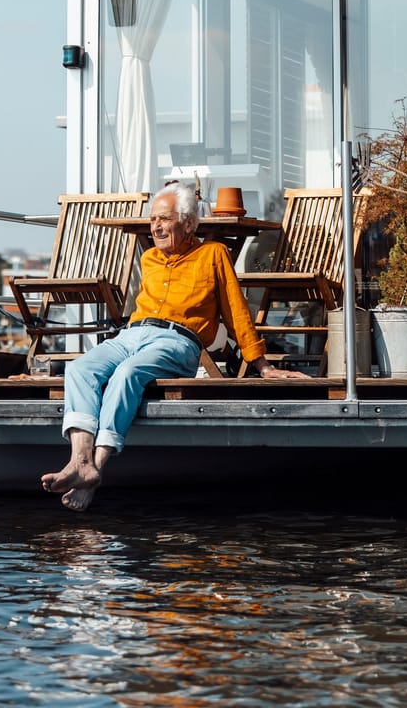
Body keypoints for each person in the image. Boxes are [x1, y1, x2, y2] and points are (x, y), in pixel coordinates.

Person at [42, 182, 302, 510]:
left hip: (177, 341)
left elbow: (236, 310)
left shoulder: (213, 254)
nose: (156, 227)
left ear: (189, 223)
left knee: (128, 374)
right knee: (81, 368)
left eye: (164, 219)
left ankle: (97, 466)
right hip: (130, 334)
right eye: (153, 220)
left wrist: (262, 365)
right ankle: (80, 462)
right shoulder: (149, 258)